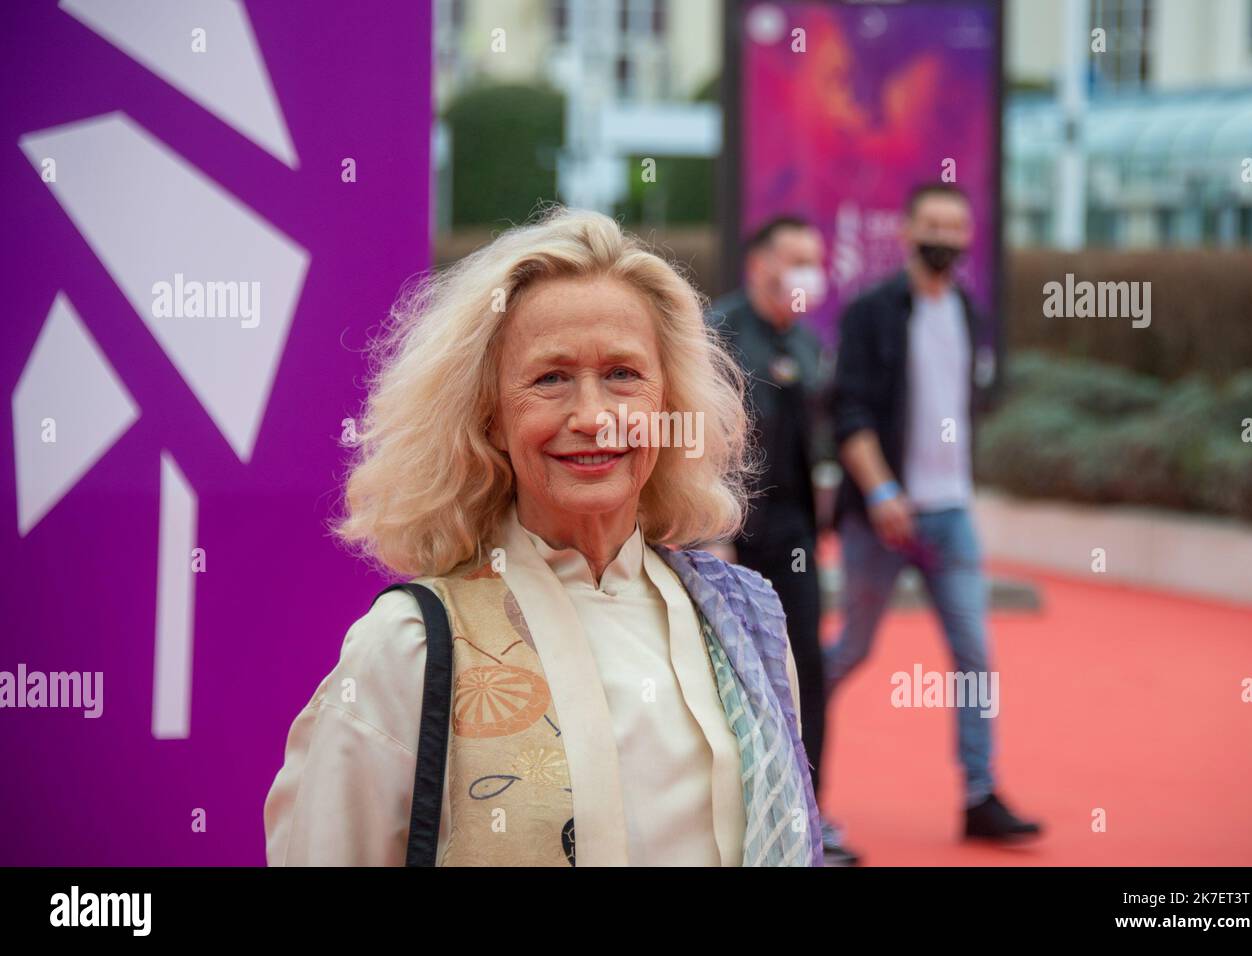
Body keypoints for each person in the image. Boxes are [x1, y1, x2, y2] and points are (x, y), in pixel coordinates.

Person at [264, 206, 823, 866]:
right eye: (550, 378)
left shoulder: (746, 627)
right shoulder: (408, 650)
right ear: (489, 417)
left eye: (623, 374)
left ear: (667, 406)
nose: (592, 417)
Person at [825, 182, 1042, 841]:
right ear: (909, 231)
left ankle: (979, 795)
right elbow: (850, 412)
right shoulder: (872, 312)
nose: (943, 235)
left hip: (951, 516)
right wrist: (884, 492)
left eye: (955, 225)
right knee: (849, 650)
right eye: (931, 223)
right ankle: (788, 769)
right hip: (881, 516)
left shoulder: (970, 313)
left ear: (968, 236)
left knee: (975, 653)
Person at [708, 216, 859, 865]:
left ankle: (809, 816)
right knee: (735, 680)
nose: (807, 274)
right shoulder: (718, 336)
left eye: (814, 261)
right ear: (759, 265)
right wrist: (710, 536)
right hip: (731, 536)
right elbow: (702, 444)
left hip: (796, 536)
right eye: (795, 260)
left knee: (806, 671)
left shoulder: (804, 343)